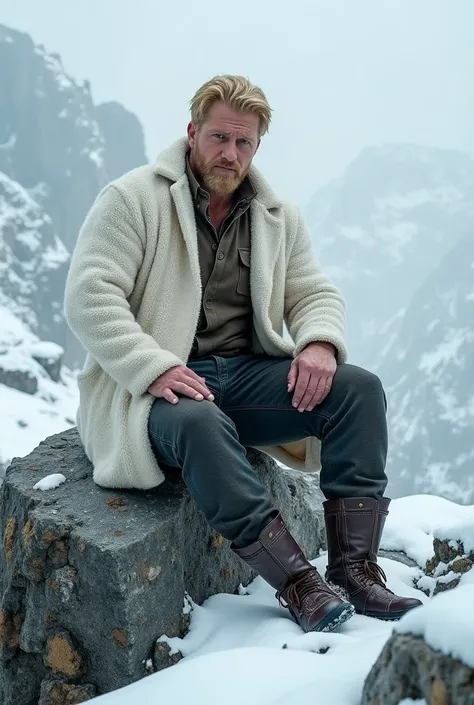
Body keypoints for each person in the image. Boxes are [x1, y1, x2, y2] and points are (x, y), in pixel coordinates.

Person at [64, 74, 422, 634]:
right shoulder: (132, 198)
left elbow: (313, 293)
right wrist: (152, 367)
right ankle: (300, 584)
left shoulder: (277, 215)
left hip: (245, 376)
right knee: (202, 422)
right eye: (218, 138)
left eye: (243, 143)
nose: (230, 154)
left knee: (358, 390)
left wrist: (320, 342)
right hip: (150, 387)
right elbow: (89, 296)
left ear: (257, 147)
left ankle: (355, 571)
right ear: (192, 133)